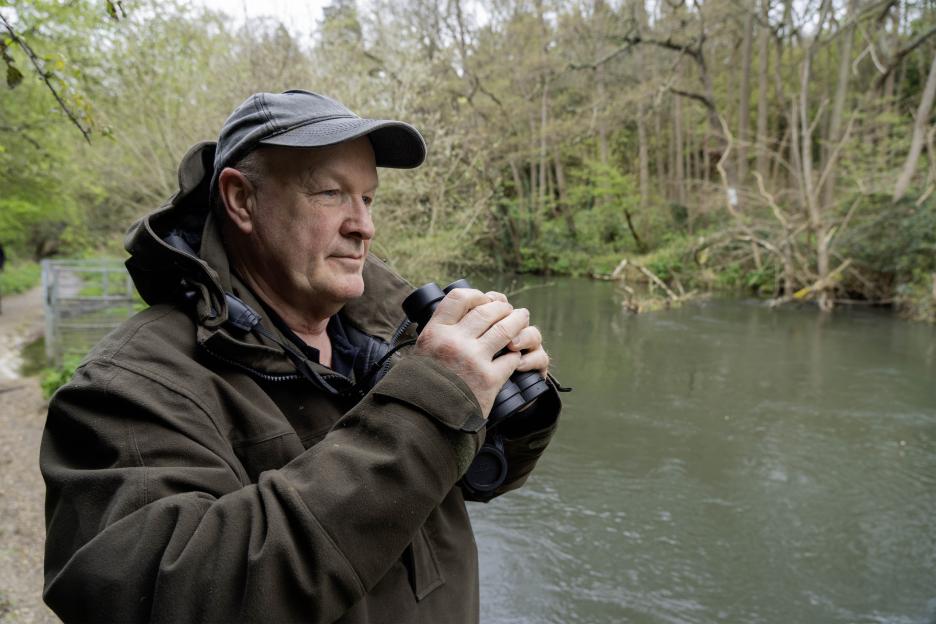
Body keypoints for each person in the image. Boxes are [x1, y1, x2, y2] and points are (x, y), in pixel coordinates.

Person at [40, 90, 562, 623]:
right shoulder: (129, 385)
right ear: (242, 201)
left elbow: (477, 480)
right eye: (332, 193)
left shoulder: (390, 339)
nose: (364, 225)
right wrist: (431, 405)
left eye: (368, 199)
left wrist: (510, 413)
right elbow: (167, 596)